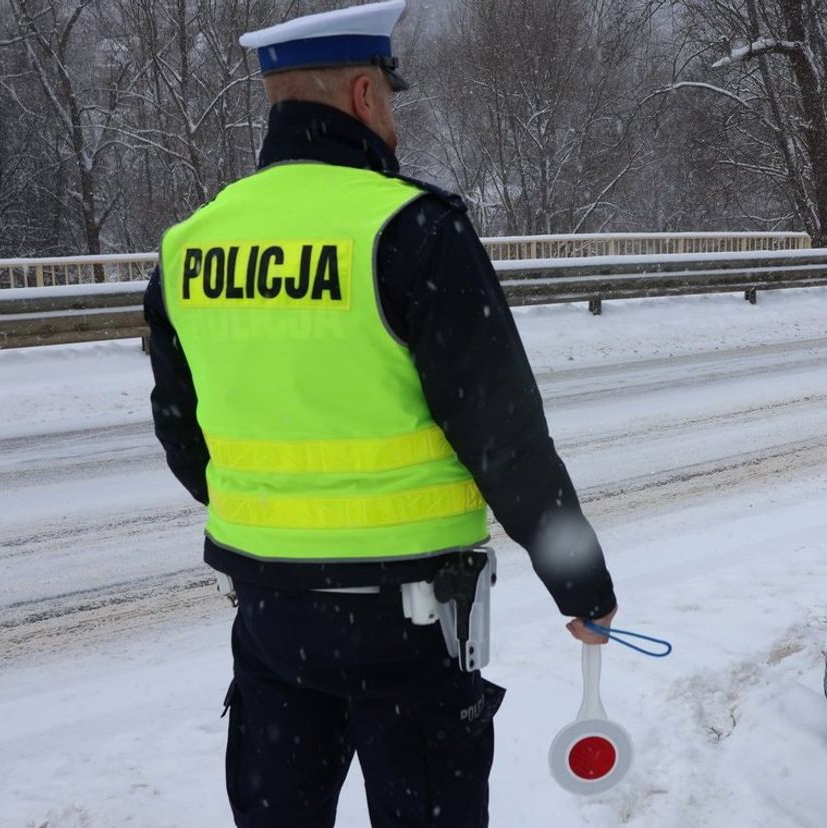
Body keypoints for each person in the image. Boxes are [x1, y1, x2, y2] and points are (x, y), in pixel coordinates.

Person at [143, 1, 617, 825]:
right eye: (390, 100)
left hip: (269, 619)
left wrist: (279, 519)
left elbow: (185, 436)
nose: (393, 119)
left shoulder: (192, 244)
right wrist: (581, 584)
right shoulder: (411, 230)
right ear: (363, 94)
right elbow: (505, 440)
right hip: (410, 626)